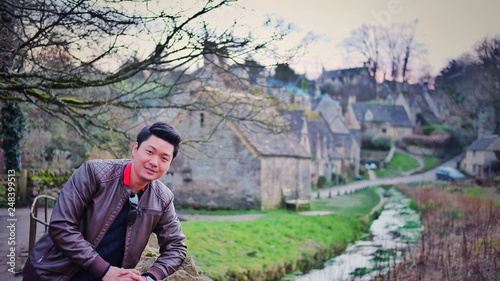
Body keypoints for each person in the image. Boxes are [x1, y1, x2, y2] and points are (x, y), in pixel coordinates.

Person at [23, 122, 187, 281]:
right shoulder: (94, 173)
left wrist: (151, 277)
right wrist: (105, 271)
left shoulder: (163, 198)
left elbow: (177, 247)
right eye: (150, 152)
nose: (154, 162)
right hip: (53, 273)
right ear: (135, 148)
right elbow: (61, 226)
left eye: (164, 158)